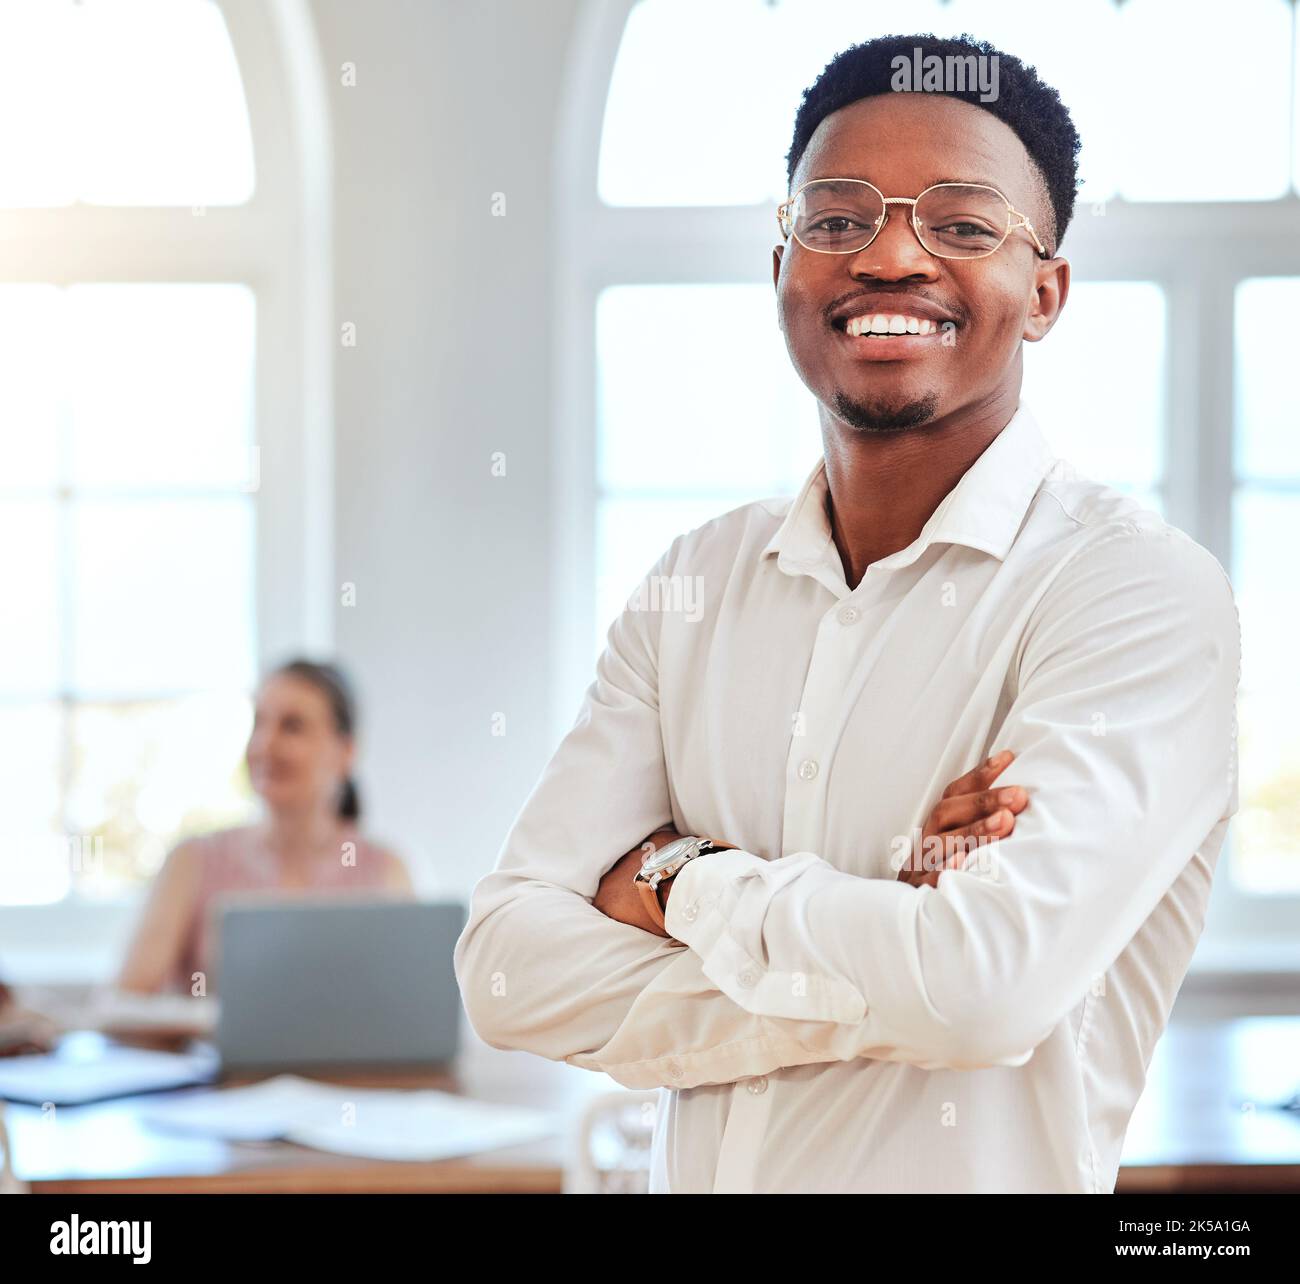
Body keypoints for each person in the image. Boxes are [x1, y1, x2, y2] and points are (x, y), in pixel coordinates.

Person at [455, 32, 1240, 1194]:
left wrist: (681, 878)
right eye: (836, 218)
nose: (888, 256)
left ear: (1045, 291)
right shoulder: (696, 584)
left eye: (964, 226)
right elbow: (507, 975)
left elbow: (981, 993)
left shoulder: (1130, 592)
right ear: (782, 257)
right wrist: (886, 959)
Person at [117, 658, 413, 996]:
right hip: (208, 1051)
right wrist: (212, 1025)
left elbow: (410, 1002)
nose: (264, 745)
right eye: (259, 723)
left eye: (292, 726)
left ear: (345, 752)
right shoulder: (192, 862)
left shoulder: (386, 871)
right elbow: (121, 1003)